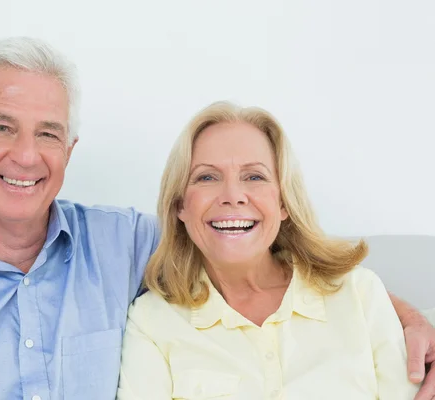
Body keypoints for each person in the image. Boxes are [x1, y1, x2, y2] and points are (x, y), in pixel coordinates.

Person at [0, 37, 432, 400]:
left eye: (48, 133)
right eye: (2, 127)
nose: (26, 154)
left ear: (68, 153)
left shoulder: (122, 244)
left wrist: (405, 319)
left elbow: (250, 256)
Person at [116, 101, 421, 399]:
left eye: (254, 177)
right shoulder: (152, 322)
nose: (233, 196)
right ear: (180, 204)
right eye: (207, 177)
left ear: (284, 202)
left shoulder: (360, 293)